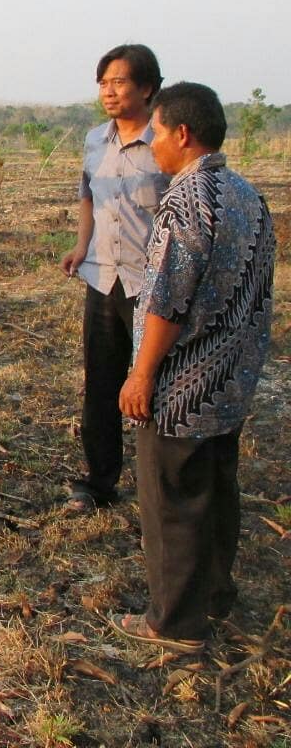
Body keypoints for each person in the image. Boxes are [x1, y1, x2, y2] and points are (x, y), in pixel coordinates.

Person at [110, 82, 275, 653]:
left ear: (182, 134)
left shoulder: (185, 201)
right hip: (230, 383)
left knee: (173, 501)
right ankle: (212, 596)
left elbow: (166, 300)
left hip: (183, 387)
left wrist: (141, 374)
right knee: (215, 492)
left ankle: (174, 622)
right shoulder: (247, 195)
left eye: (156, 132)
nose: (152, 143)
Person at [59, 44, 169, 512]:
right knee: (101, 384)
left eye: (119, 82)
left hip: (154, 285)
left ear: (147, 88)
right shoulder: (93, 141)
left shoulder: (167, 144)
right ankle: (100, 482)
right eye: (103, 82)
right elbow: (88, 198)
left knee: (157, 385)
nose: (109, 91)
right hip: (103, 277)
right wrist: (82, 246)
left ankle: (160, 488)